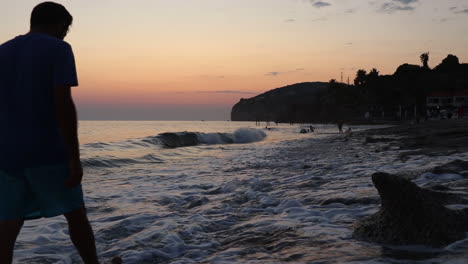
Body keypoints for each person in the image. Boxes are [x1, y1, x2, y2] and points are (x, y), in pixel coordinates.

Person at [0, 2, 101, 263]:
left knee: (7, 223)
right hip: (47, 149)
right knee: (75, 213)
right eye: (65, 28)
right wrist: (74, 158)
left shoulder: (2, 51)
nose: (65, 33)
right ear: (57, 24)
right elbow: (63, 104)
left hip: (6, 152)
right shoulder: (59, 49)